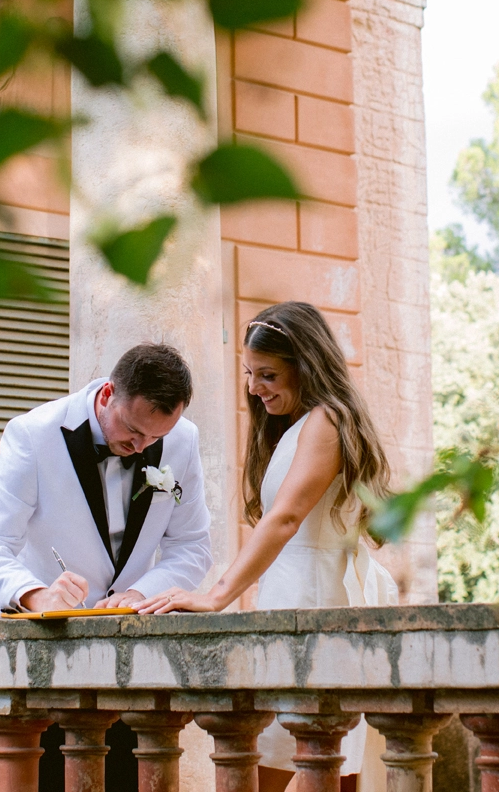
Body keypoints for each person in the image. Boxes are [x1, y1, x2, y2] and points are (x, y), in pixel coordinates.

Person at [136, 302, 398, 792]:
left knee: (314, 761)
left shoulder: (326, 421)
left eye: (268, 374)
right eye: (250, 373)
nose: (255, 388)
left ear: (307, 365)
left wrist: (218, 596)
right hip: (292, 593)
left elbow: (286, 518)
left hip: (316, 601)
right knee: (287, 761)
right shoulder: (300, 426)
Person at [0, 341, 212, 792]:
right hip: (45, 671)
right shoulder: (33, 434)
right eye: (134, 431)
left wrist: (144, 592)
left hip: (135, 671)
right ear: (106, 395)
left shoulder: (183, 440)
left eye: (155, 439)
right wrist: (37, 595)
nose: (141, 449)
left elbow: (192, 545)